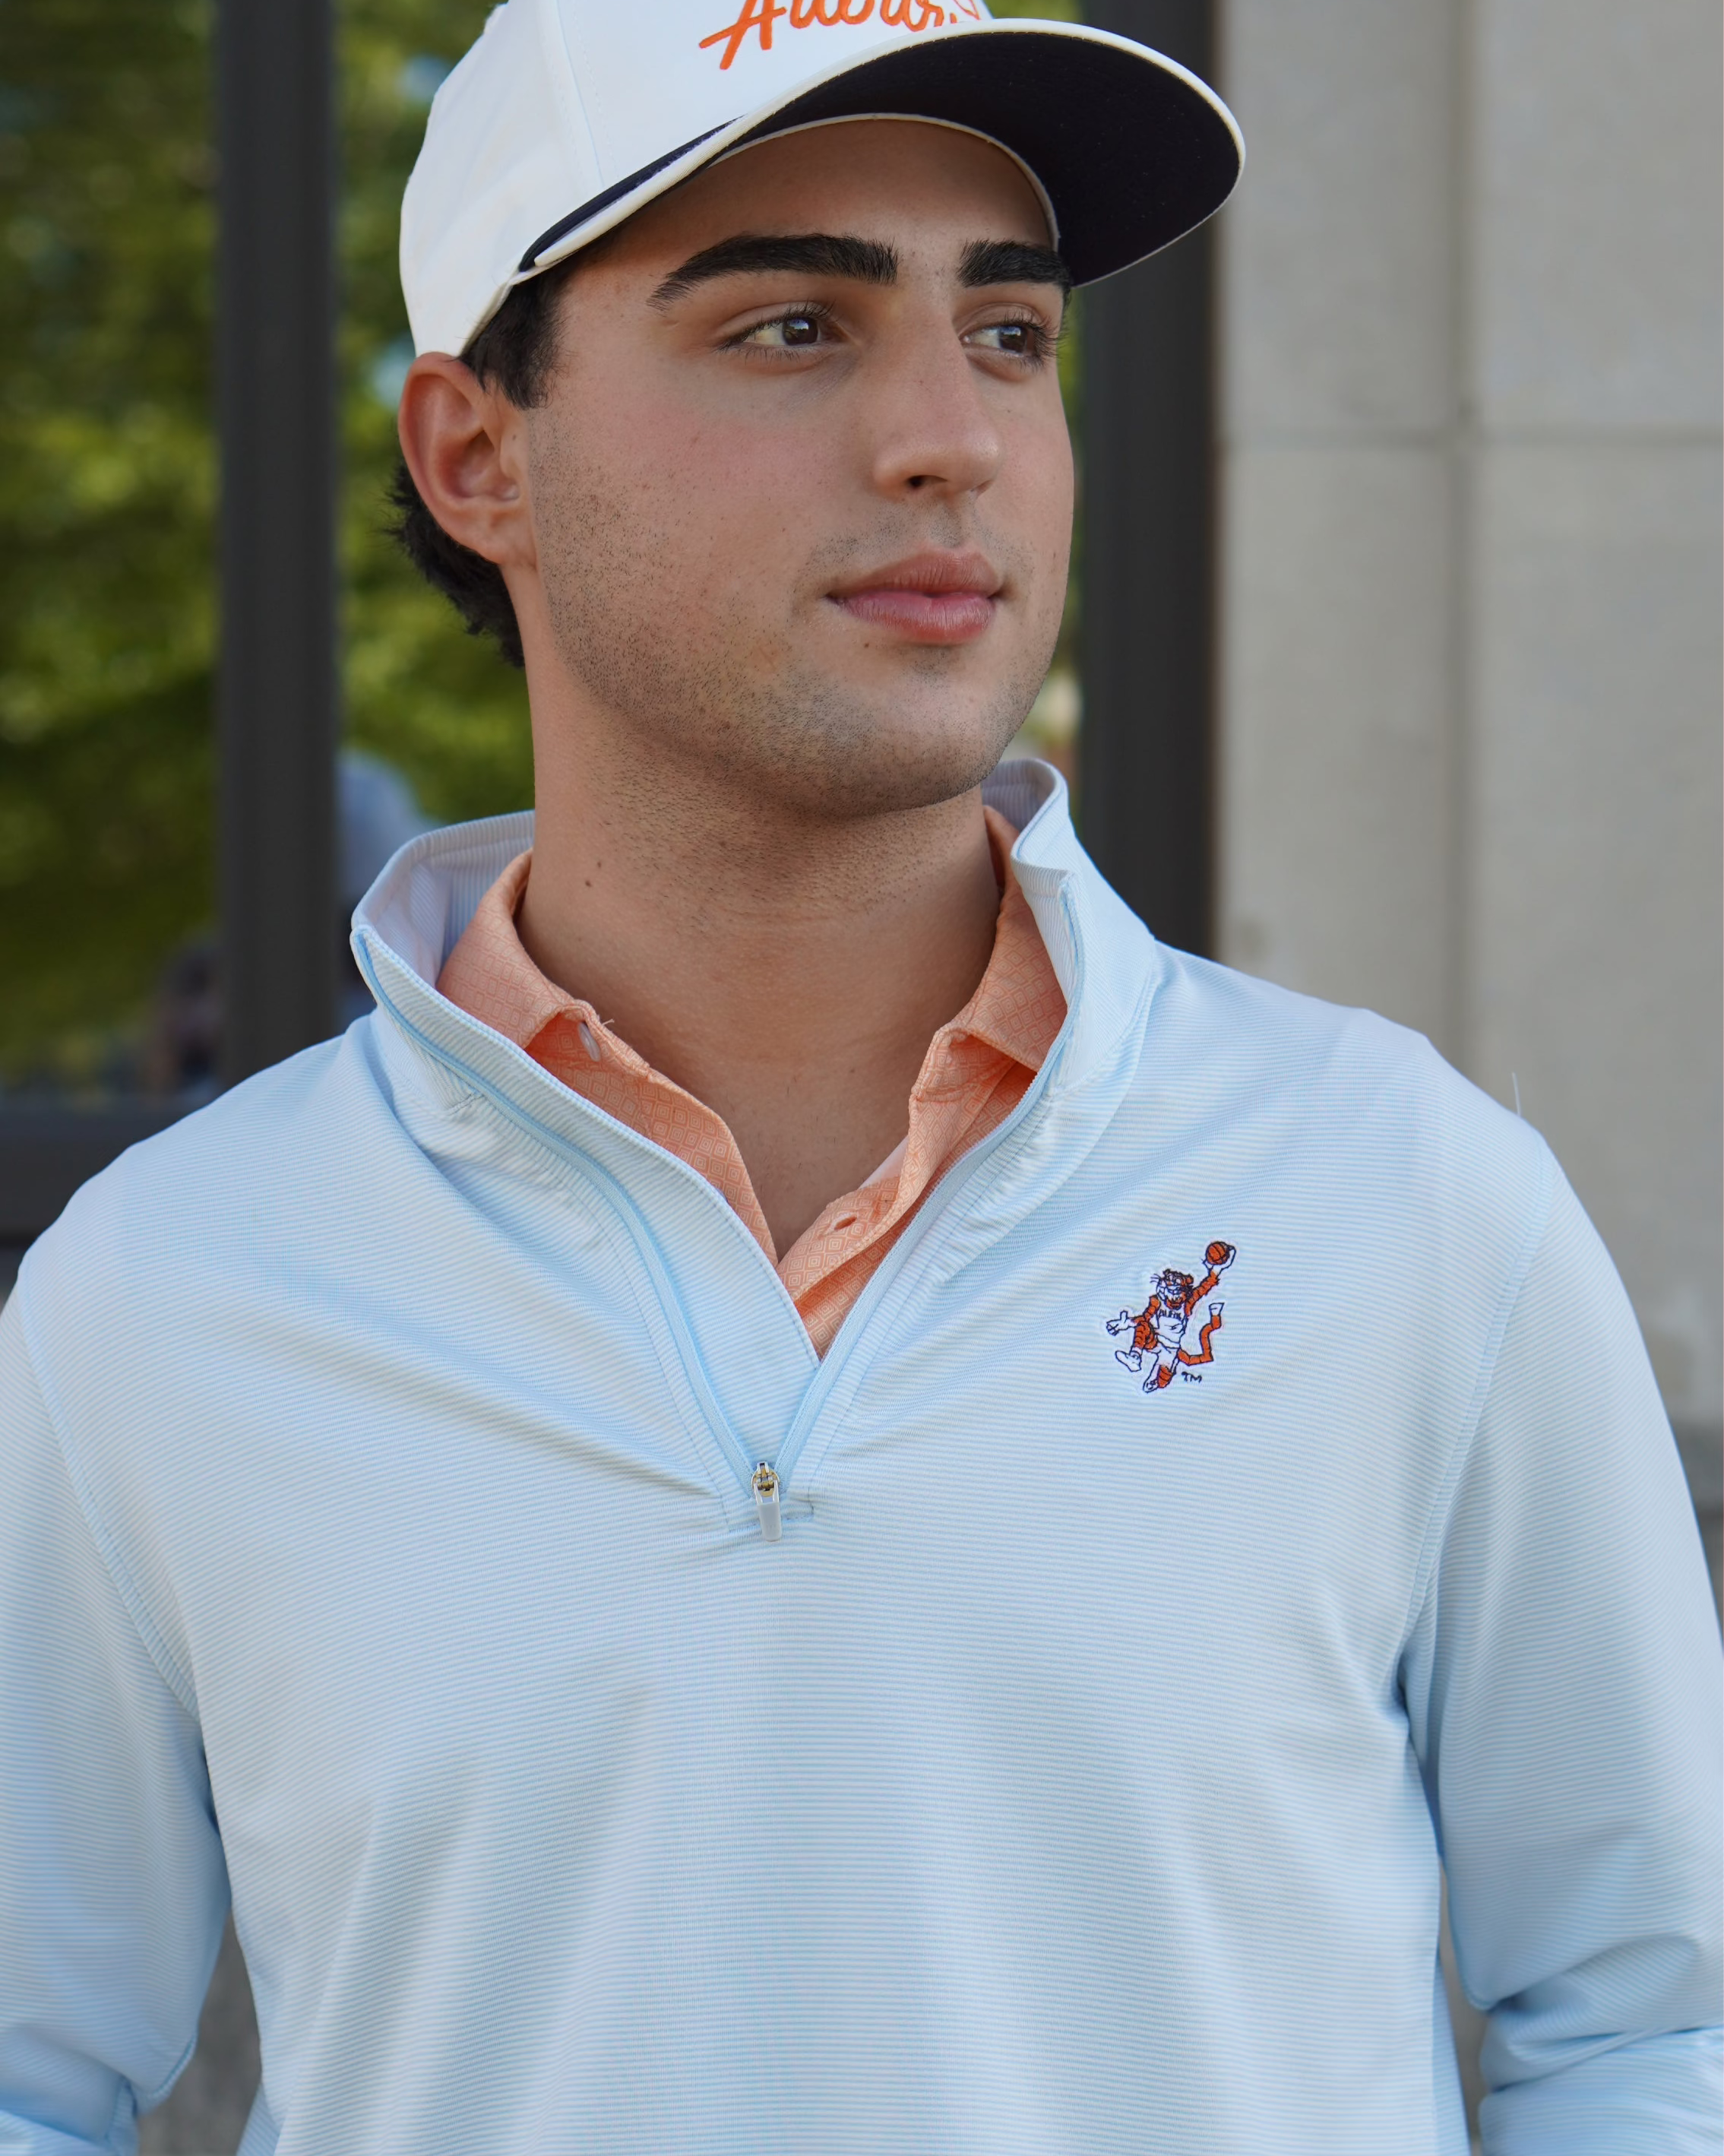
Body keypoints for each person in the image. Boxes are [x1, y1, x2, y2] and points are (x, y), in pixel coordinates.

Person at [2, 5, 1717, 2150]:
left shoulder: (1405, 1199)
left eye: (1009, 335)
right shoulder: (167, 1291)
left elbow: (1654, 2029)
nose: (949, 438)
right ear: (474, 454)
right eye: (794, 326)